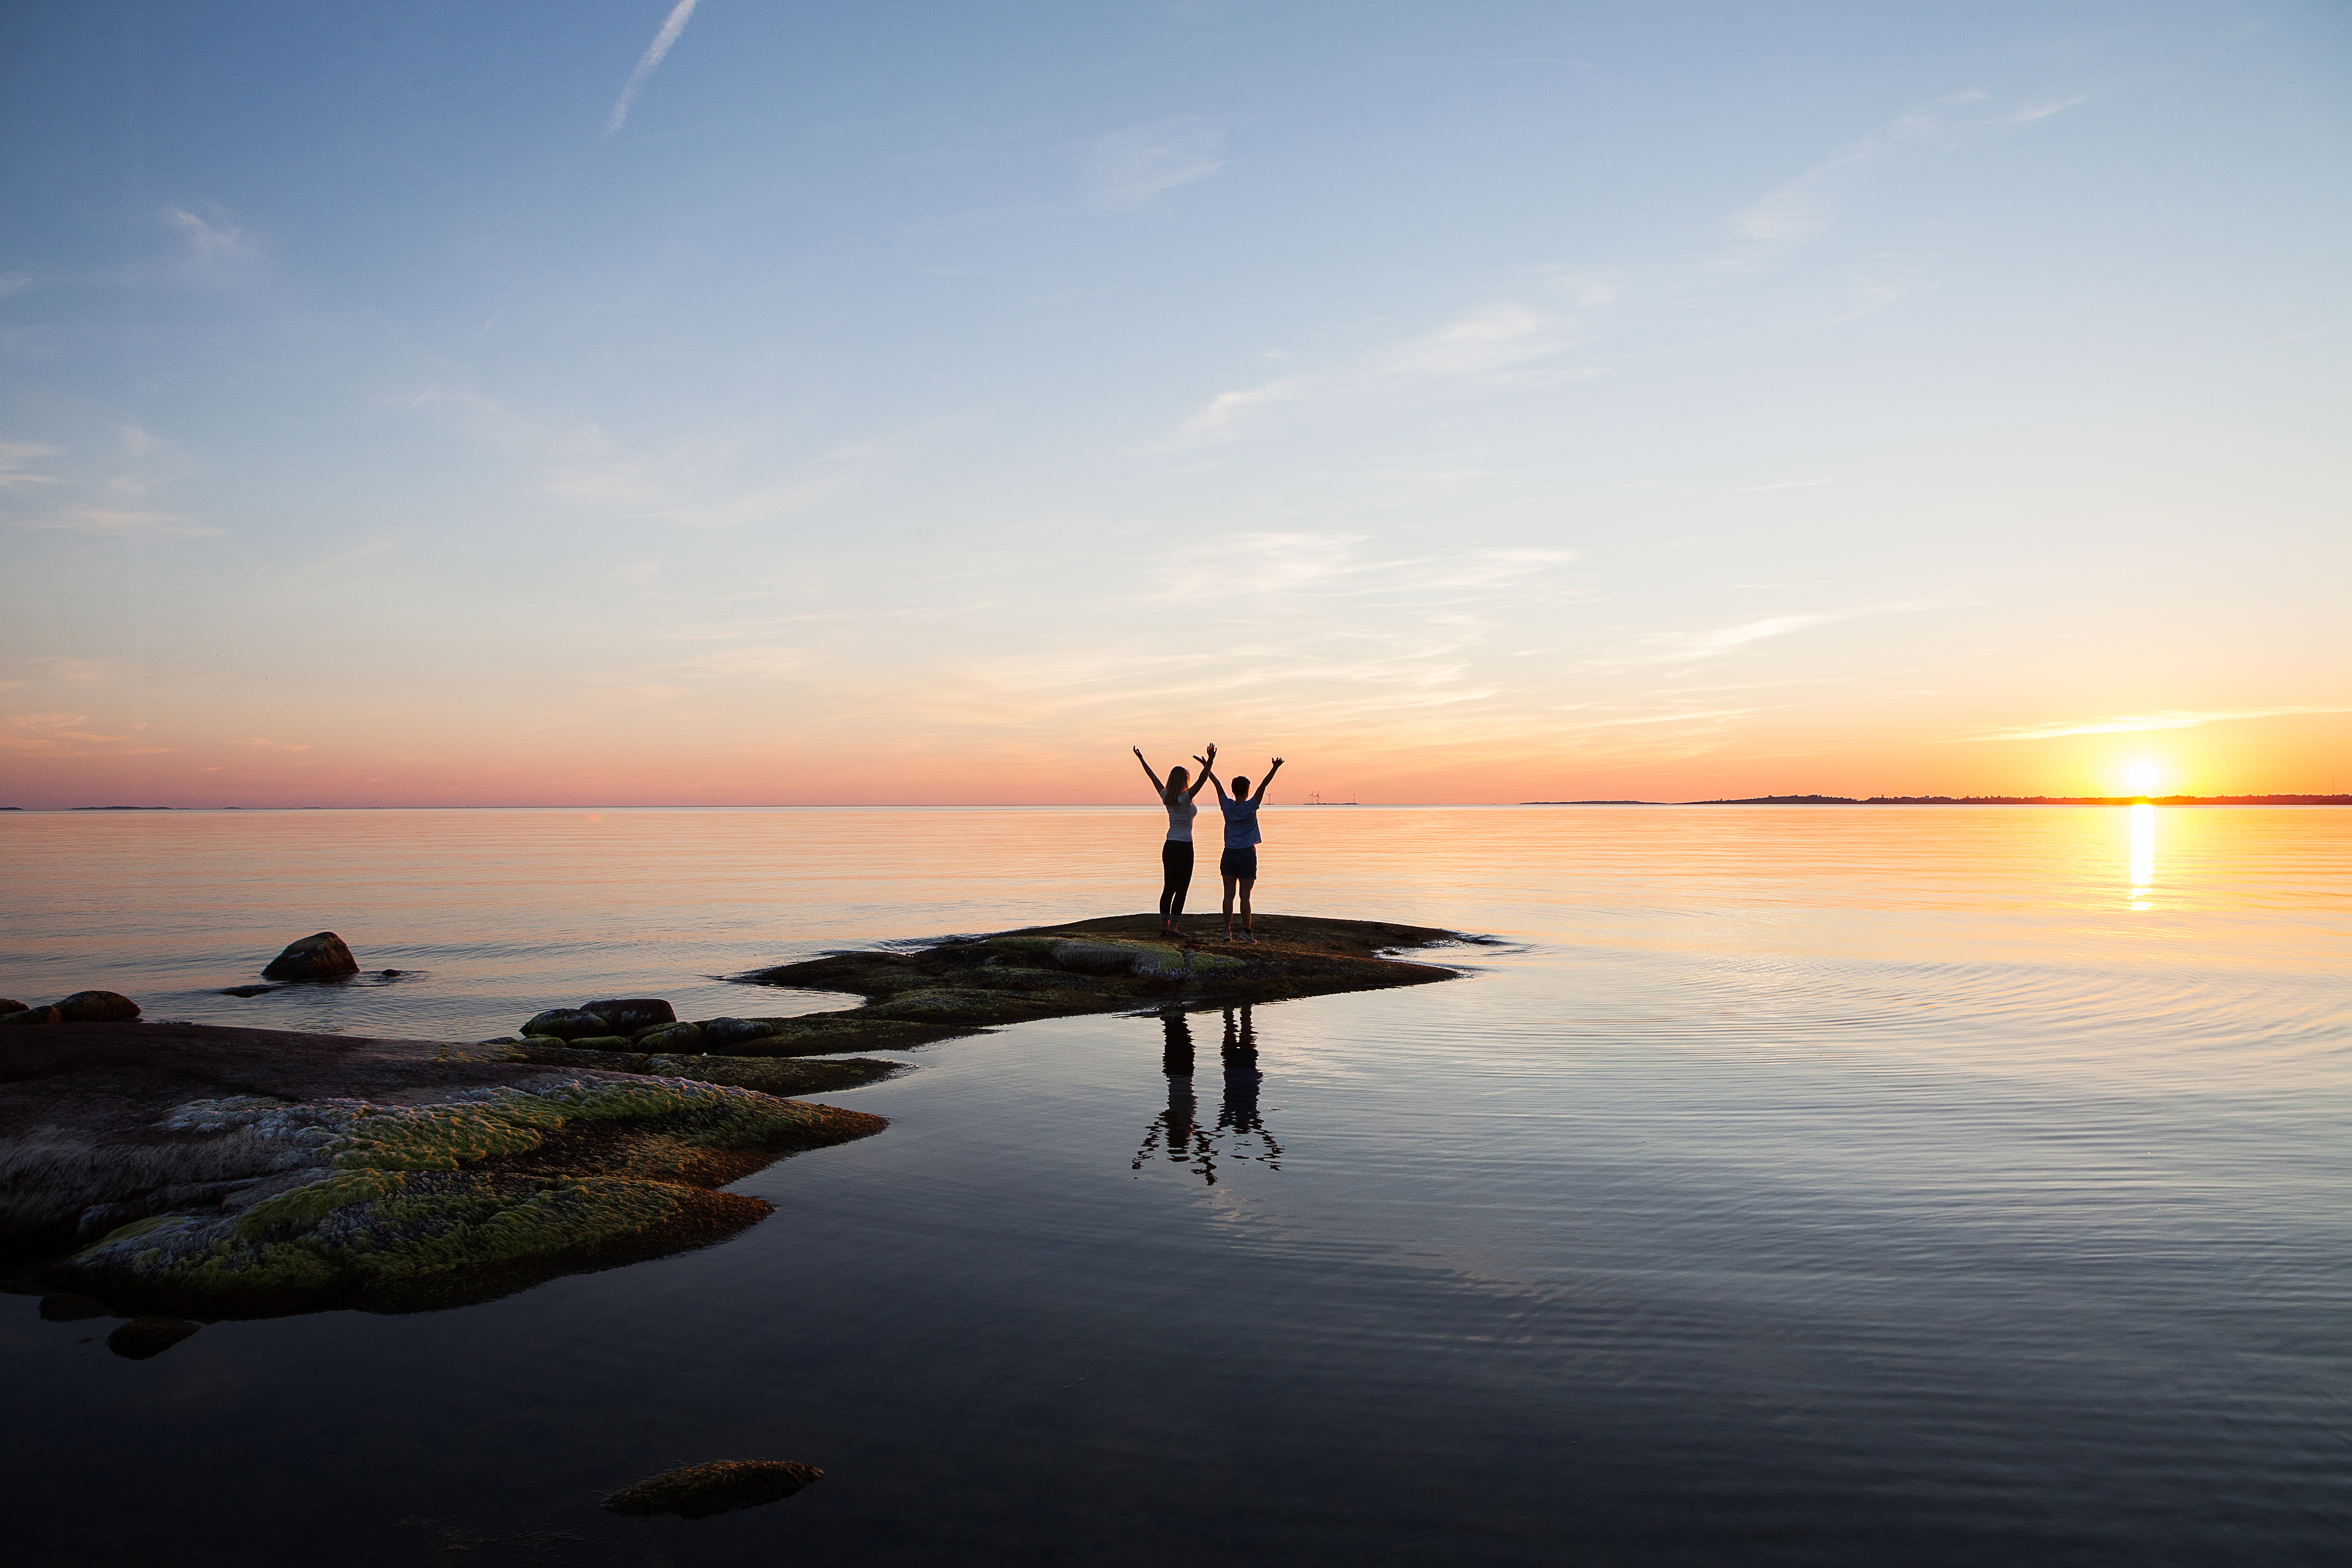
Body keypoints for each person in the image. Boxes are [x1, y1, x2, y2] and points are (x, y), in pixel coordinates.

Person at [1197, 753, 1282, 941]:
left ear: (1233, 790)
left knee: (1228, 894)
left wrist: (1208, 766)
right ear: (1247, 791)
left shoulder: (1227, 806)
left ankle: (1227, 931)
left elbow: (1216, 784)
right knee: (1245, 896)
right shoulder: (1251, 806)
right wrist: (1274, 768)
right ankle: (1247, 932)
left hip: (1228, 854)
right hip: (1246, 854)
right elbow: (1263, 787)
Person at [1133, 743, 1214, 937]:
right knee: (1181, 889)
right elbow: (1203, 780)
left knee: (1169, 887)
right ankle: (1173, 930)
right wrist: (1210, 761)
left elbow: (1153, 778)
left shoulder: (1166, 797)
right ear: (1184, 781)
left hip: (1169, 846)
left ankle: (1164, 928)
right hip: (1184, 847)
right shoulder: (1185, 797)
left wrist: (1142, 760)